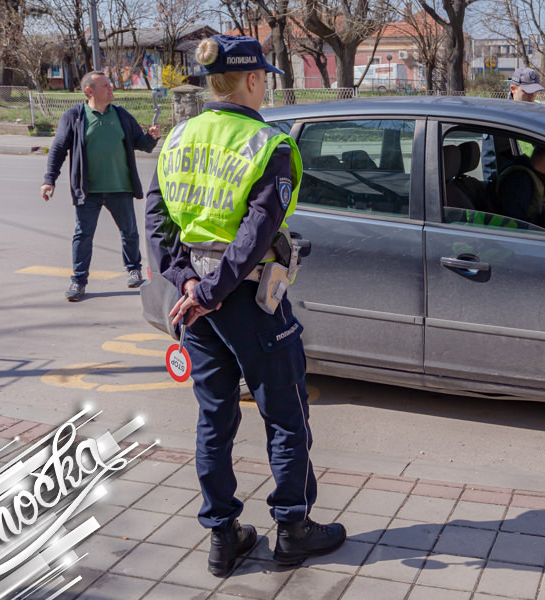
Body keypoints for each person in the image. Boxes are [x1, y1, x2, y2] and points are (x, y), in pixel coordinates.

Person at [144, 34, 345, 577]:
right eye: (264, 79)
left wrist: (189, 284)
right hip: (249, 299)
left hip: (195, 304)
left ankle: (222, 536)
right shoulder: (268, 143)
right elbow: (256, 233)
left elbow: (157, 222)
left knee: (214, 419)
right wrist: (213, 291)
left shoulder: (178, 137)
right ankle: (293, 528)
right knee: (285, 414)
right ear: (253, 80)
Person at [42, 71, 160, 302]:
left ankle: (134, 269)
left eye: (109, 84)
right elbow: (58, 148)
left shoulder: (121, 115)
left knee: (129, 232)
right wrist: (49, 179)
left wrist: (151, 137)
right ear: (89, 91)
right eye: (105, 85)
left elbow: (141, 144)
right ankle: (78, 280)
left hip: (120, 187)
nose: (111, 88)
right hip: (89, 191)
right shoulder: (75, 116)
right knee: (83, 235)